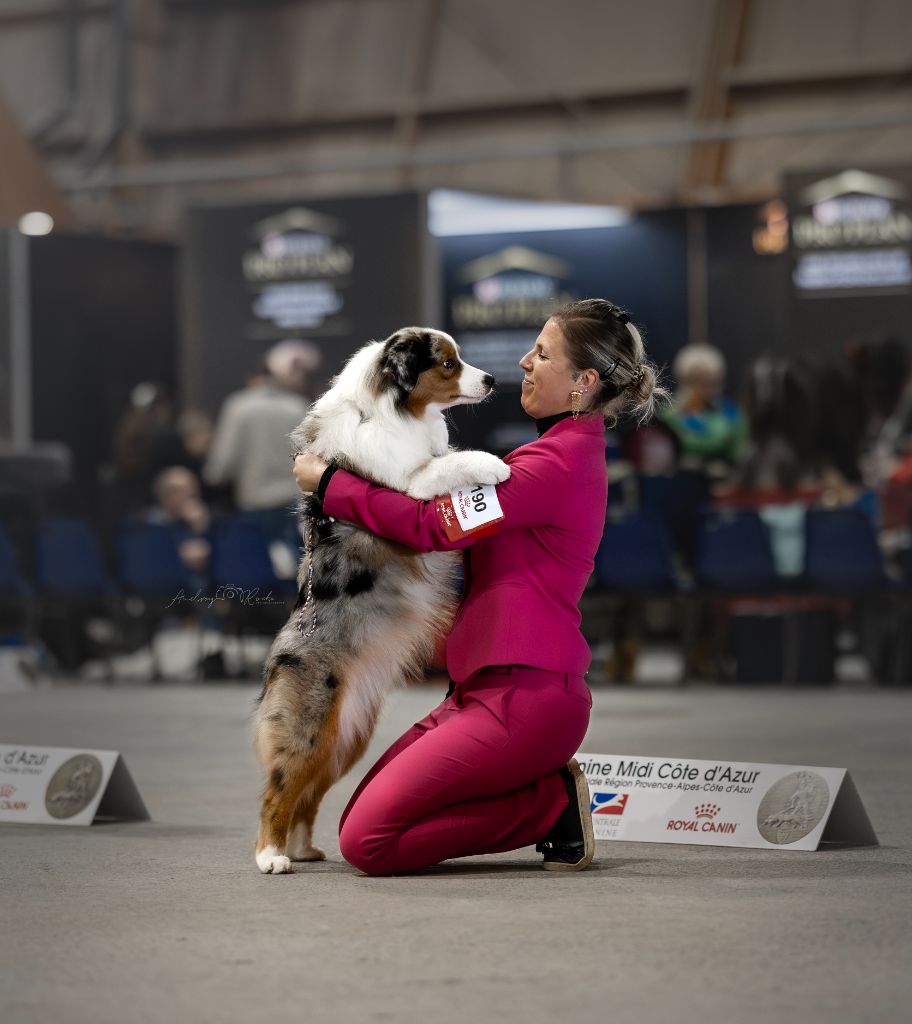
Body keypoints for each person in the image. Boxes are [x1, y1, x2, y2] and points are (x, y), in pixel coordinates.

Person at [292, 299, 662, 875]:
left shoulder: (551, 467)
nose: (524, 362)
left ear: (583, 382)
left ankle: (550, 807)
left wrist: (331, 483)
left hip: (525, 700)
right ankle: (532, 791)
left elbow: (431, 525)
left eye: (541, 354)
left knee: (369, 844)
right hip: (477, 690)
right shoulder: (548, 456)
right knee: (358, 821)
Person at [658, 342, 746, 475]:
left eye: (715, 382)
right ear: (684, 381)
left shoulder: (731, 411)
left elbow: (739, 449)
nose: (711, 390)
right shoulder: (670, 413)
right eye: (701, 383)